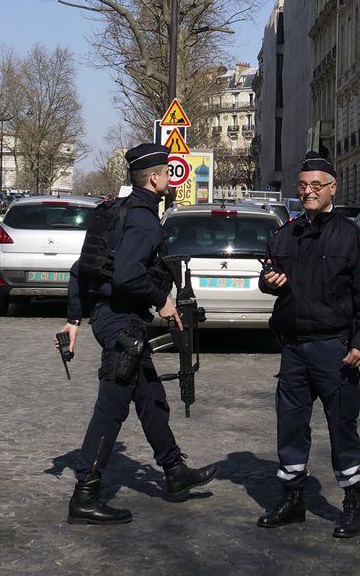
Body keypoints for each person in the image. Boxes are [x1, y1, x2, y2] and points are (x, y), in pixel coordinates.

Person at [55, 143, 217, 525]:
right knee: (111, 408)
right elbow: (128, 276)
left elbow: (81, 268)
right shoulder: (143, 219)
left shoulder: (118, 211)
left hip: (110, 316)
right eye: (167, 174)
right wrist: (162, 299)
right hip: (122, 321)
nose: (169, 180)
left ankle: (175, 472)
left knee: (149, 396)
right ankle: (85, 495)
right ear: (157, 178)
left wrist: (74, 321)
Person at [256, 151, 360, 538]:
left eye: (316, 186)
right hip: (294, 348)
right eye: (303, 186)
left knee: (342, 425)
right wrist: (268, 282)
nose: (309, 192)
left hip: (334, 348)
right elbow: (268, 276)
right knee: (290, 425)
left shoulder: (349, 236)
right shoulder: (285, 233)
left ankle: (352, 504)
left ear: (332, 188)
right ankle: (292, 498)